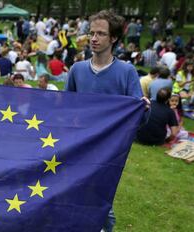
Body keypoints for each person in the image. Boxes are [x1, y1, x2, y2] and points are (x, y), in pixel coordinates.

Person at [65, 10, 148, 232]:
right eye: (92, 33)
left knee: (101, 196)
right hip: (78, 143)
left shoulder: (127, 72)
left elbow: (138, 117)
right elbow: (63, 108)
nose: (93, 38)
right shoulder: (77, 69)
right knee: (76, 190)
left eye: (101, 33)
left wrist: (143, 108)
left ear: (113, 38)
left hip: (110, 149)